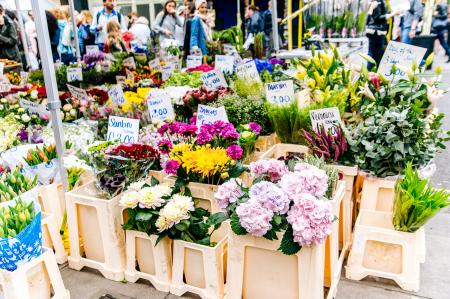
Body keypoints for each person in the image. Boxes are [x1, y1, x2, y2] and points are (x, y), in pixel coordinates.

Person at [366, 0, 395, 69]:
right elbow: (377, 18)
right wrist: (392, 14)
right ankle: (371, 73)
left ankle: (372, 73)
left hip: (379, 32)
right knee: (375, 55)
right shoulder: (377, 1)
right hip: (377, 32)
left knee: (376, 54)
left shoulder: (381, 1)